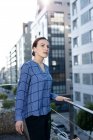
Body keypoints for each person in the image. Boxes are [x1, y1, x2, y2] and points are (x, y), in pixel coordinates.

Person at [15, 37, 70, 140]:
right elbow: (21, 93)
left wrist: (56, 97)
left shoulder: (46, 67)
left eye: (48, 46)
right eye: (42, 45)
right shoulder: (28, 67)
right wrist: (18, 118)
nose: (46, 48)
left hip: (46, 113)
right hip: (33, 115)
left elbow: (44, 91)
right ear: (34, 48)